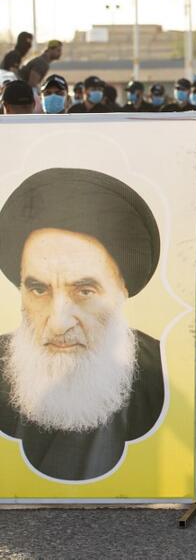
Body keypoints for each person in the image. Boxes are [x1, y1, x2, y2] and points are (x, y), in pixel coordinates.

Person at [0, 168, 163, 481]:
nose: (59, 323)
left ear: (121, 291)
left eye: (85, 291)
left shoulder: (162, 374)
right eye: (38, 289)